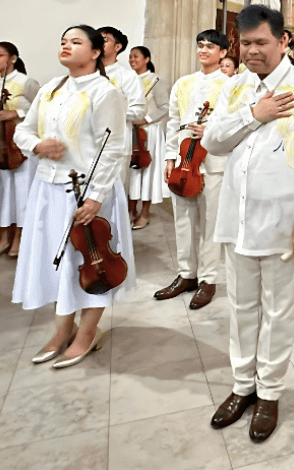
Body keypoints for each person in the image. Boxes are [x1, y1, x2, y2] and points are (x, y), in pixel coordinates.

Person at [203, 4, 294, 443]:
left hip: (282, 219)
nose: (253, 51)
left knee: (277, 310)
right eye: (246, 43)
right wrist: (253, 115)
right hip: (236, 217)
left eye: (262, 42)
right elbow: (212, 141)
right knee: (241, 306)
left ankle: (270, 392)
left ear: (283, 42)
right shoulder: (236, 87)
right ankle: (243, 386)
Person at [12, 25, 135, 368]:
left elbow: (113, 149)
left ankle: (87, 332)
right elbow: (23, 129)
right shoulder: (51, 88)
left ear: (96, 52)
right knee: (58, 263)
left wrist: (95, 197)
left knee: (92, 263)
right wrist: (36, 145)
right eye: (63, 41)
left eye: (75, 42)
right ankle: (61, 329)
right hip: (47, 189)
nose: (66, 46)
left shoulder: (105, 92)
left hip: (87, 192)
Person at [155, 29, 230, 310]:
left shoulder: (230, 85)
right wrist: (169, 158)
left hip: (214, 162)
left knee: (210, 222)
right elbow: (174, 122)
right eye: (200, 45)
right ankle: (186, 274)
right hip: (184, 163)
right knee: (183, 221)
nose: (203, 50)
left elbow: (234, 124)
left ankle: (208, 279)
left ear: (223, 53)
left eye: (210, 46)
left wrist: (209, 129)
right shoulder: (183, 84)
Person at [0, 42, 39, 260]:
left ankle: (20, 237)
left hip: (20, 143)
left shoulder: (26, 82)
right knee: (3, 191)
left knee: (21, 190)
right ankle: (4, 236)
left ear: (12, 58)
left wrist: (17, 112)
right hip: (2, 142)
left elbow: (41, 109)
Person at [98, 26, 147, 193]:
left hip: (116, 145)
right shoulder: (87, 74)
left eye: (104, 39)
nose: (97, 41)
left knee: (113, 198)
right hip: (87, 144)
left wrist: (112, 111)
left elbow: (139, 111)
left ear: (117, 47)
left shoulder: (127, 76)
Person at [127, 45, 170, 230]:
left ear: (146, 59)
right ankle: (129, 212)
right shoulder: (127, 80)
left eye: (136, 56)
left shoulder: (155, 81)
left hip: (149, 132)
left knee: (147, 174)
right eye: (130, 57)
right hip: (130, 130)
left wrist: (147, 119)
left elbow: (165, 106)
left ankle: (144, 213)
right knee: (130, 173)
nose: (132, 60)